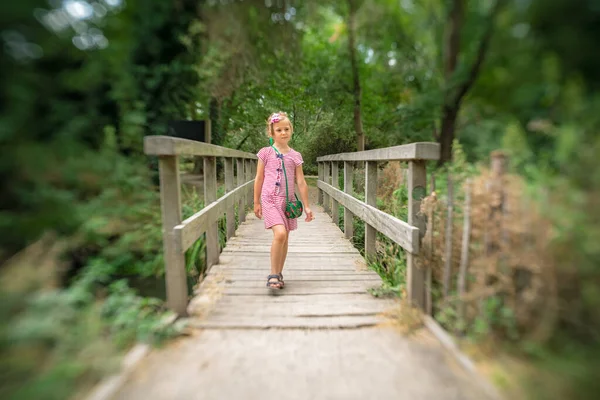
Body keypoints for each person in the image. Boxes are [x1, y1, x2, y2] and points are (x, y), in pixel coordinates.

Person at [254, 111, 314, 289]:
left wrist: (307, 206)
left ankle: (279, 273)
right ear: (271, 133)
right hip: (269, 198)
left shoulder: (295, 156)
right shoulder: (265, 153)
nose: (283, 132)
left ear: (291, 130)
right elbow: (259, 178)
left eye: (286, 129)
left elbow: (301, 182)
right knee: (279, 234)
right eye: (278, 130)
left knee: (285, 237)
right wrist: (256, 201)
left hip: (287, 201)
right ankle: (273, 274)